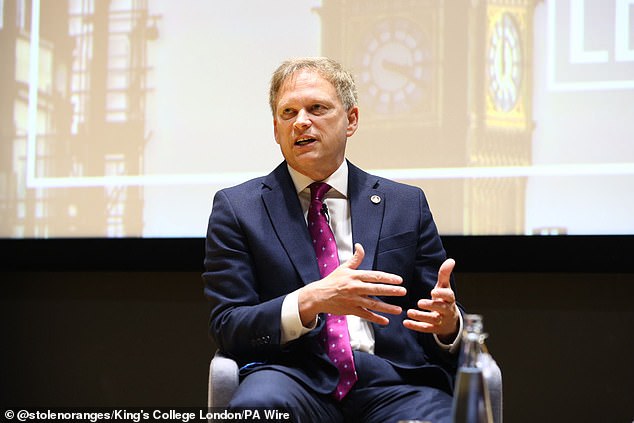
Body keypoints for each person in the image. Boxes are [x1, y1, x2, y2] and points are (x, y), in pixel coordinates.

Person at [203, 57, 463, 423]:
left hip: (391, 380)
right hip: (290, 375)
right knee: (256, 410)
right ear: (276, 129)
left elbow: (437, 313)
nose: (301, 121)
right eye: (288, 112)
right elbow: (229, 324)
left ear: (351, 119)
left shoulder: (406, 204)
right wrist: (310, 300)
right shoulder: (238, 208)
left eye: (317, 108)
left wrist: (448, 325)